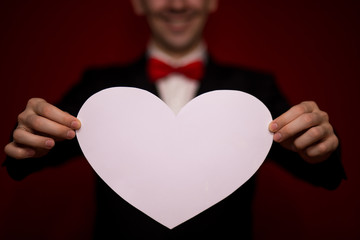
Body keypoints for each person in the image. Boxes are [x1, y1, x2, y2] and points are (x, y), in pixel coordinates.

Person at [3, 0, 345, 239]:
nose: (178, 4)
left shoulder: (254, 91)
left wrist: (321, 149)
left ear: (213, 1)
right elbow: (32, 155)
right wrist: (27, 141)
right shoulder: (99, 88)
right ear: (138, 3)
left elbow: (318, 170)